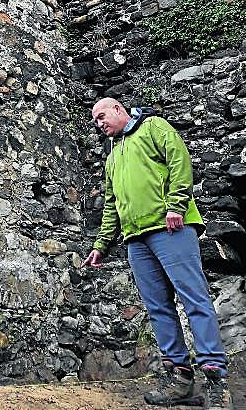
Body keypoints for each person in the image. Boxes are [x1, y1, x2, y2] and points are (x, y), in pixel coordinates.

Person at [82, 98, 232, 410]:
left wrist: (176, 205)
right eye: (95, 121)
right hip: (136, 239)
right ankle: (179, 379)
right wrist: (100, 245)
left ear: (119, 109)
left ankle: (216, 380)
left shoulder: (153, 127)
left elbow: (180, 161)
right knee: (158, 308)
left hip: (171, 227)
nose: (100, 124)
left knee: (194, 299)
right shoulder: (112, 156)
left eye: (102, 116)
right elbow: (111, 204)